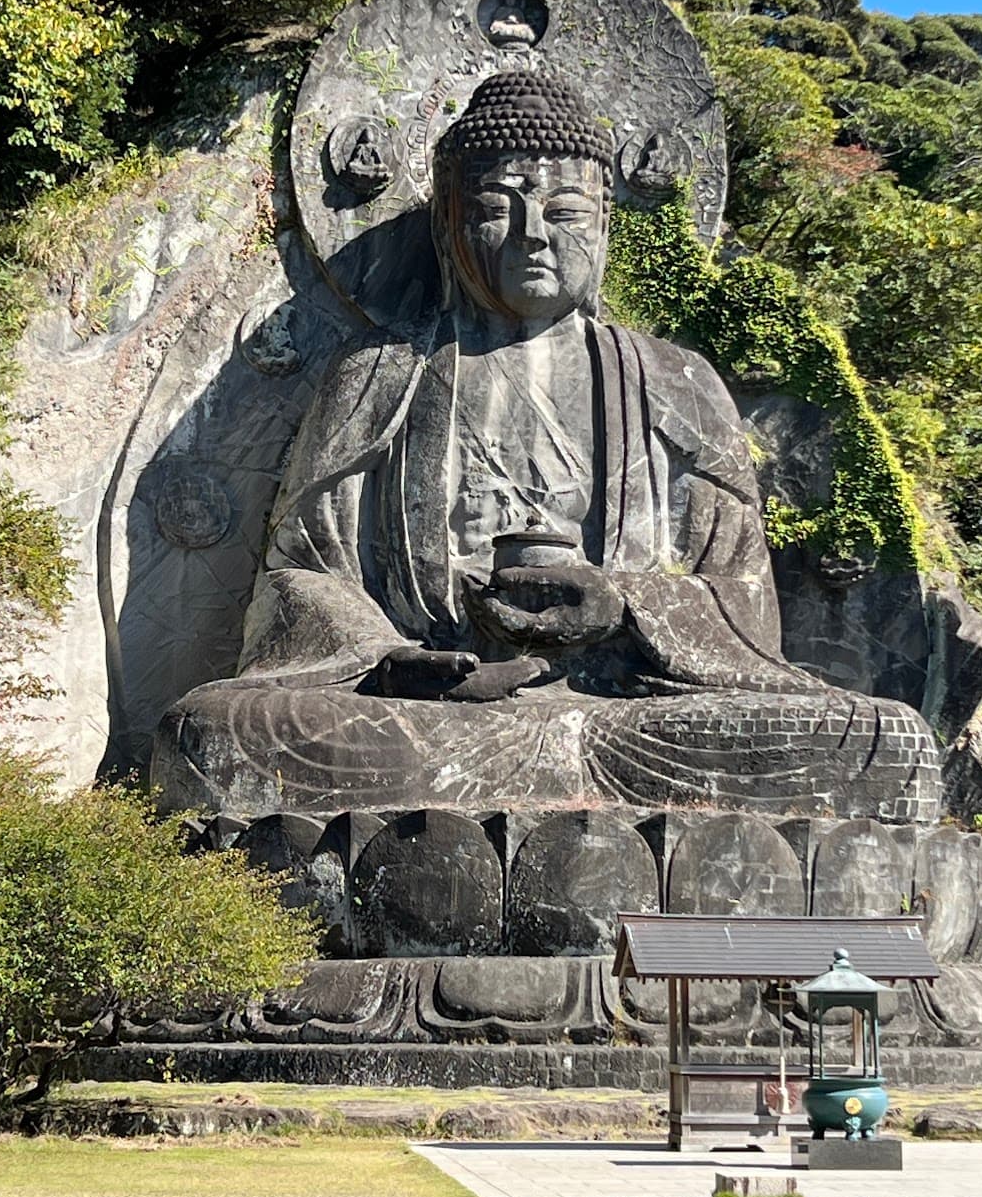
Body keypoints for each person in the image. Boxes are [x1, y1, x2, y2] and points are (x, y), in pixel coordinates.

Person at [153, 68, 938, 819]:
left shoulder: (676, 379)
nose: (533, 234)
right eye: (499, 207)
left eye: (564, 214)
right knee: (222, 734)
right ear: (449, 222)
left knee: (879, 742)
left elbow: (740, 596)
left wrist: (625, 605)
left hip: (627, 713)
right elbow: (303, 573)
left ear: (603, 226)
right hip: (423, 719)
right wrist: (385, 660)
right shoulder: (380, 372)